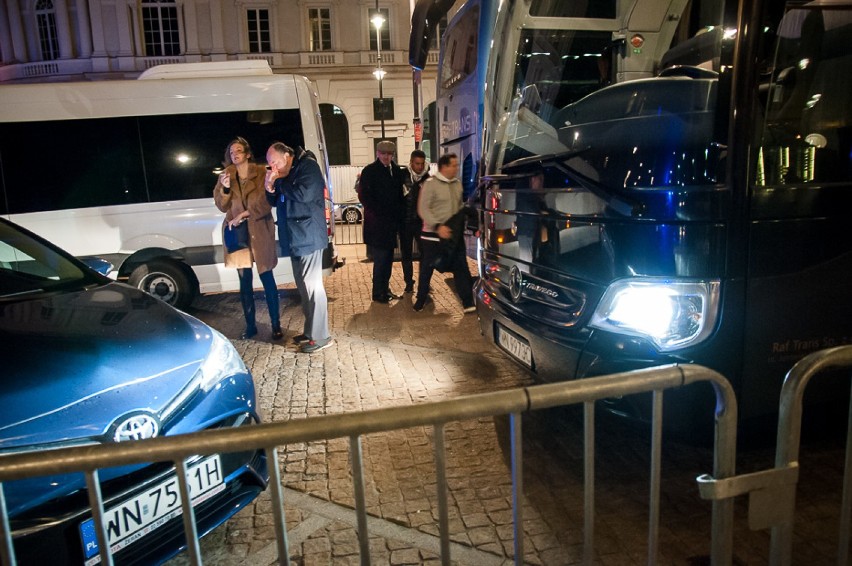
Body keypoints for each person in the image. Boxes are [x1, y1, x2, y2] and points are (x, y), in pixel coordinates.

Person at [265, 142, 332, 353]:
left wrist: (278, 181)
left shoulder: (308, 167)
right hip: (295, 238)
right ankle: (311, 331)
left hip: (309, 237)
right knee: (304, 289)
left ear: (287, 155)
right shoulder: (289, 172)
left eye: (274, 161)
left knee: (313, 288)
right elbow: (276, 201)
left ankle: (321, 336)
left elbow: (303, 194)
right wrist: (269, 187)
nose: (272, 167)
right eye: (269, 164)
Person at [213, 137, 282, 340]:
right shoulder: (225, 176)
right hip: (238, 235)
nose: (234, 155)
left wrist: (244, 214)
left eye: (239, 151)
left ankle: (276, 325)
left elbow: (266, 202)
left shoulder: (261, 173)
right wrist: (225, 189)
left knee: (267, 279)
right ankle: (250, 325)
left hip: (259, 231)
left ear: (247, 154)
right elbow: (221, 205)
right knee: (245, 282)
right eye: (231, 152)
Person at [414, 153, 476, 313]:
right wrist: (437, 226)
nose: (457, 168)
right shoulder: (430, 184)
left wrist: (470, 222)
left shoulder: (457, 184)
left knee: (461, 266)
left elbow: (458, 207)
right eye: (454, 165)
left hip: (453, 235)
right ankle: (420, 299)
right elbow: (423, 209)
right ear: (444, 167)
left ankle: (468, 302)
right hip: (432, 236)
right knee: (427, 268)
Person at [358, 140, 406, 303]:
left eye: (389, 154)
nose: (386, 156)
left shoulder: (396, 171)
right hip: (377, 225)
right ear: (378, 154)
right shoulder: (370, 171)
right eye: (383, 153)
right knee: (381, 261)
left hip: (391, 224)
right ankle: (378, 292)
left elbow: (399, 195)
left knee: (388, 260)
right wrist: (380, 213)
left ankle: (385, 289)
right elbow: (365, 197)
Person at [399, 150, 430, 293]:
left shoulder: (427, 178)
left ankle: (424, 282)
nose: (420, 167)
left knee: (425, 253)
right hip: (405, 222)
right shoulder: (403, 175)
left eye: (422, 164)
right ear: (411, 162)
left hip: (420, 223)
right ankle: (409, 282)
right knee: (406, 254)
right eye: (417, 163)